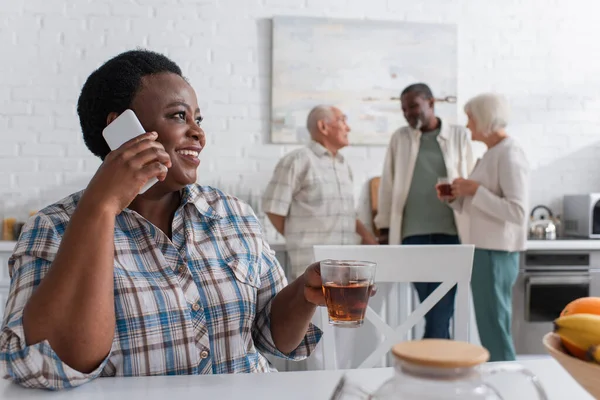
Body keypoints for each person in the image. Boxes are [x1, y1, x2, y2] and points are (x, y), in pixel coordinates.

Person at [0, 50, 325, 390]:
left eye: (198, 119)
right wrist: (101, 207)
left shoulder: (234, 214)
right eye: (179, 116)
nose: (198, 133)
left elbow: (273, 339)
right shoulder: (55, 228)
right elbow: (48, 364)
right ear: (122, 130)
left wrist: (303, 292)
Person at [375, 83, 474, 339]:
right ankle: (440, 358)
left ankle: (432, 355)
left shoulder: (459, 136)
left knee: (441, 305)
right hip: (412, 234)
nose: (408, 113)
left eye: (414, 106)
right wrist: (384, 229)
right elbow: (388, 183)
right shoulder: (400, 137)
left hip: (451, 233)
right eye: (404, 109)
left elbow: (471, 177)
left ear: (431, 102)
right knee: (428, 304)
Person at [438, 93, 529, 361]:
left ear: (485, 118)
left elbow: (518, 211)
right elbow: (481, 207)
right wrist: (456, 198)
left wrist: (475, 190)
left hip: (496, 254)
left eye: (470, 118)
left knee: (495, 329)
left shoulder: (510, 153)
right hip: (486, 251)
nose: (467, 125)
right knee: (490, 328)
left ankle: (508, 384)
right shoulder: (493, 153)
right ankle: (502, 382)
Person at [262, 105, 377, 281]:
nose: (348, 127)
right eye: (342, 121)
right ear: (323, 127)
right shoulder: (298, 160)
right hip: (311, 266)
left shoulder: (343, 165)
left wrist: (369, 239)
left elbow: (346, 214)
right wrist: (298, 238)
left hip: (347, 265)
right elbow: (273, 208)